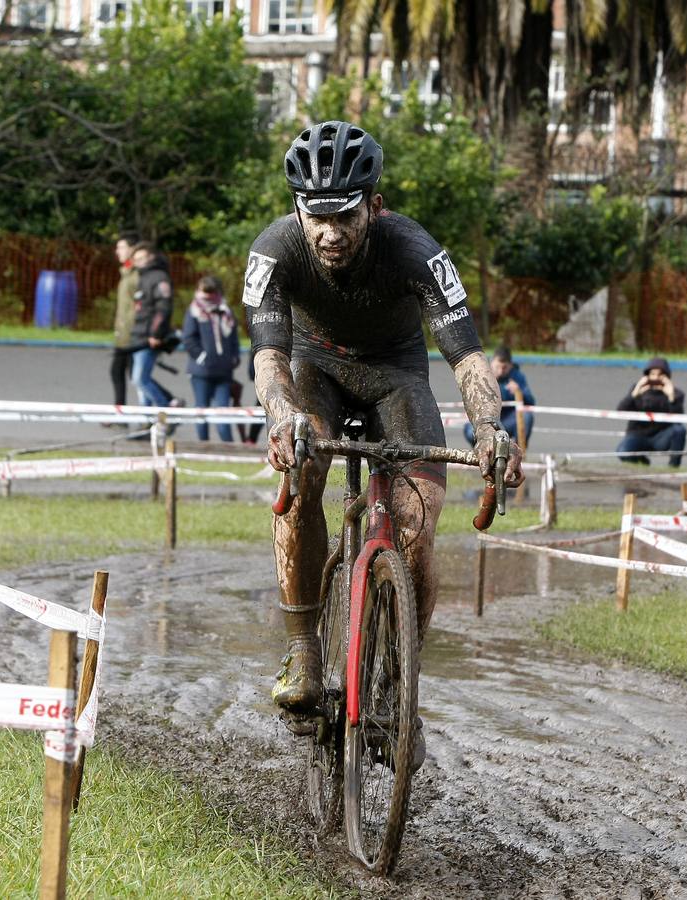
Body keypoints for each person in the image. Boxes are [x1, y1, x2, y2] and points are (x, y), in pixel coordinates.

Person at [245, 120, 523, 768]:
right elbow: (268, 359)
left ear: (373, 205)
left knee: (417, 521)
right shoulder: (274, 252)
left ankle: (398, 688)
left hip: (397, 377)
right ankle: (305, 652)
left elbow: (468, 360)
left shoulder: (415, 250)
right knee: (300, 476)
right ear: (297, 210)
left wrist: (488, 429)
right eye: (315, 217)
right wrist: (283, 416)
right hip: (314, 373)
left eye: (343, 215)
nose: (329, 233)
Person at [182, 275, 240, 441]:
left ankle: (230, 450)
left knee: (223, 413)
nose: (207, 297)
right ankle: (203, 446)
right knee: (202, 410)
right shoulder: (194, 311)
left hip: (223, 372)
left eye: (211, 293)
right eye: (204, 292)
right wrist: (202, 357)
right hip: (201, 372)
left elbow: (233, 338)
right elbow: (188, 339)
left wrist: (233, 357)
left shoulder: (225, 311)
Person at [126, 241, 175, 408]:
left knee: (140, 379)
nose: (139, 262)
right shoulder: (143, 277)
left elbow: (163, 308)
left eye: (142, 258)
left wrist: (155, 333)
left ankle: (166, 412)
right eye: (136, 259)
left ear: (151, 257)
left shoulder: (159, 277)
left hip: (148, 337)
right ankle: (146, 420)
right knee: (138, 381)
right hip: (138, 335)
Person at [615, 356, 686, 467]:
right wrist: (634, 394)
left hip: (661, 437)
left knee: (679, 430)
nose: (656, 378)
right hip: (638, 435)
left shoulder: (676, 393)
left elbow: (678, 420)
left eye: (660, 375)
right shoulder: (638, 390)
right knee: (623, 452)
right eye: (652, 374)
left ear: (667, 377)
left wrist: (671, 397)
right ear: (647, 376)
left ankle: (673, 466)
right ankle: (642, 462)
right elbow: (620, 411)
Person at [463, 345, 534, 446]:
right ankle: (481, 451)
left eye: (504, 368)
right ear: (492, 362)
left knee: (527, 417)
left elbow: (531, 402)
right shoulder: (482, 373)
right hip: (485, 419)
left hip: (507, 419)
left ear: (510, 365)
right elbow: (471, 400)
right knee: (469, 430)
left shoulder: (517, 376)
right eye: (497, 367)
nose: (501, 371)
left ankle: (518, 451)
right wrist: (489, 383)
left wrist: (518, 392)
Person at [108, 235, 138, 408]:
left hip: (132, 333)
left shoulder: (135, 274)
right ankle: (120, 412)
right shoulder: (126, 272)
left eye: (121, 247)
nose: (117, 251)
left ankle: (166, 403)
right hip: (124, 332)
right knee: (118, 371)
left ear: (132, 249)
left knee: (137, 376)